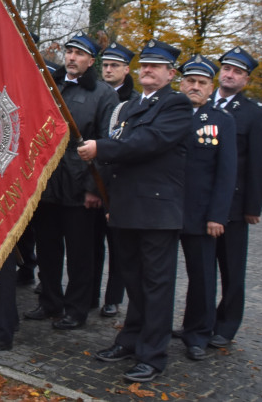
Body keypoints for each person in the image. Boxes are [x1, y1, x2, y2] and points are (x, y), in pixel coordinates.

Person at [78, 39, 191, 383]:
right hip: (126, 208)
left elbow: (148, 143)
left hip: (157, 210)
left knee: (156, 285)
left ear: (171, 73)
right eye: (145, 65)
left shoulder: (176, 105)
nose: (148, 70)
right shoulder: (127, 108)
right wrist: (109, 200)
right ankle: (129, 340)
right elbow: (117, 161)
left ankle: (153, 356)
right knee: (133, 282)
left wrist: (102, 147)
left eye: (156, 66)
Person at [26, 33, 118, 331]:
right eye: (69, 52)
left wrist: (95, 189)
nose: (71, 58)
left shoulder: (104, 94)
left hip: (80, 185)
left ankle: (77, 308)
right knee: (48, 248)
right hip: (47, 182)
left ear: (92, 61)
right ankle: (50, 300)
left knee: (80, 253)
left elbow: (106, 145)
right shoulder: (51, 87)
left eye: (79, 54)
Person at [175, 54, 237, 361]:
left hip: (201, 215)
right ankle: (156, 326)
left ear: (211, 87)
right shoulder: (169, 112)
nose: (195, 87)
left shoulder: (222, 120)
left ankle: (198, 332)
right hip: (166, 208)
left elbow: (227, 174)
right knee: (157, 274)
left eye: (201, 82)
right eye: (190, 81)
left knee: (201, 276)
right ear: (181, 83)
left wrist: (217, 215)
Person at [210, 46, 262, 348]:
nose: (230, 75)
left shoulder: (254, 113)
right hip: (201, 203)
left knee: (231, 269)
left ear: (246, 79)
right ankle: (200, 322)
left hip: (234, 205)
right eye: (226, 69)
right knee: (203, 269)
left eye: (237, 72)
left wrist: (252, 206)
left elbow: (260, 163)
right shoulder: (201, 103)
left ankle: (226, 325)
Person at [93, 41, 137, 317]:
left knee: (119, 245)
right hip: (96, 177)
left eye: (114, 66)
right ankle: (89, 291)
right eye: (105, 65)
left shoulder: (134, 101)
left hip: (121, 180)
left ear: (126, 69)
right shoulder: (97, 93)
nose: (108, 70)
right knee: (92, 243)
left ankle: (113, 297)